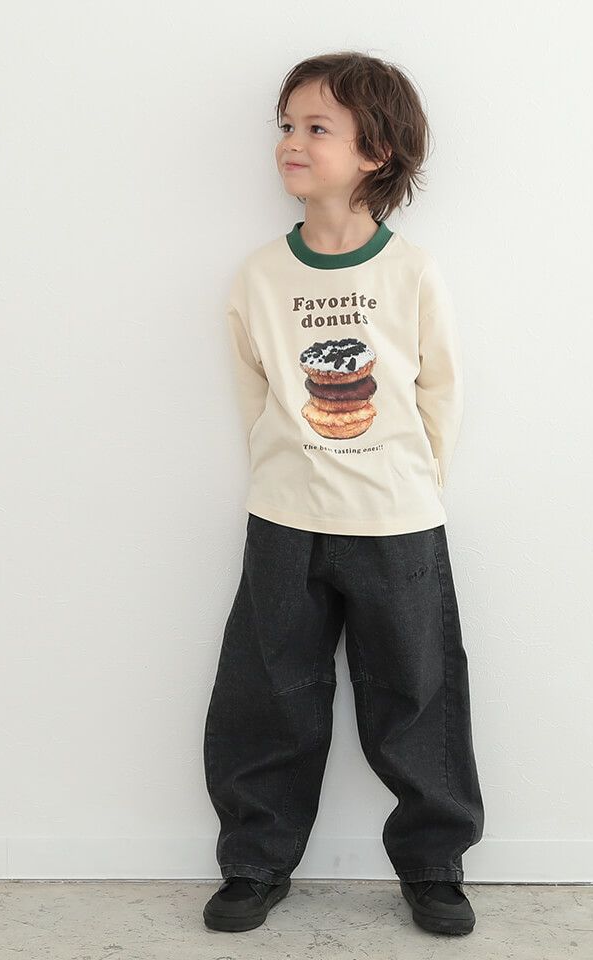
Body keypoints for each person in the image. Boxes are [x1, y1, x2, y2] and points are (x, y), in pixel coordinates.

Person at [203, 50, 485, 937]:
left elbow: (440, 391)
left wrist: (412, 484)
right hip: (286, 519)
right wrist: (282, 474)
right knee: (269, 693)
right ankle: (255, 860)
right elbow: (254, 393)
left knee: (416, 694)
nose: (291, 141)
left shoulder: (411, 272)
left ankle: (434, 865)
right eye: (286, 125)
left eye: (316, 127)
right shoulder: (261, 276)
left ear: (376, 150)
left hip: (396, 519)